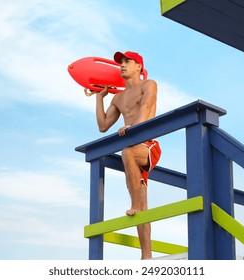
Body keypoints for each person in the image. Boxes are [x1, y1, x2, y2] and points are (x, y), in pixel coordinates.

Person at [95, 51, 161, 260]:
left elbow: (147, 107)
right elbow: (103, 125)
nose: (122, 65)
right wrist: (99, 99)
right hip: (132, 151)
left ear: (139, 66)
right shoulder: (118, 97)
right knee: (142, 206)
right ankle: (146, 256)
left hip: (147, 146)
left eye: (127, 62)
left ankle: (132, 204)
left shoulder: (148, 84)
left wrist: (133, 128)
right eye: (120, 63)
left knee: (127, 151)